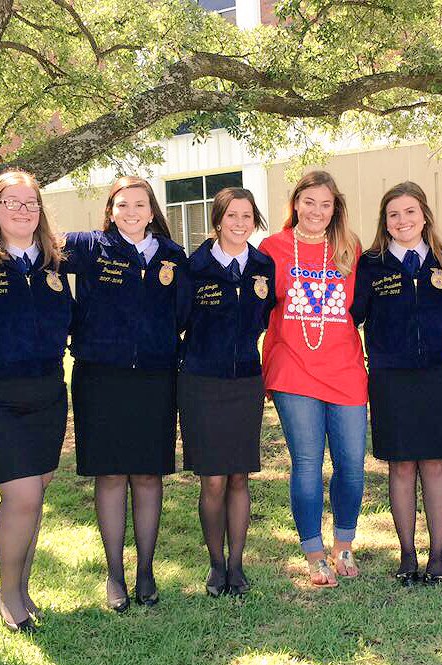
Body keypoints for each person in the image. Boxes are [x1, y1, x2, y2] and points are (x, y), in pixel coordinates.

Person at [62, 176, 190, 611]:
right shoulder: (89, 246)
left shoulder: (173, 256)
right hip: (101, 378)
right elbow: (33, 245)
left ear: (152, 211)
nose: (131, 211)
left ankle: (146, 570)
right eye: (122, 205)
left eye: (139, 204)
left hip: (155, 378)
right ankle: (114, 573)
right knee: (112, 474)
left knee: (149, 475)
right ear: (111, 211)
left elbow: (184, 313)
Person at [0, 170, 71, 633]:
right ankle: (7, 594)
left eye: (31, 204)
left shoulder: (53, 262)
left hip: (46, 392)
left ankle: (23, 588)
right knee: (20, 495)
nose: (23, 212)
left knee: (36, 493)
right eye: (12, 203)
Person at [259, 170, 368, 588]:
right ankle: (314, 553)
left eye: (326, 204)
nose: (317, 211)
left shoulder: (349, 247)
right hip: (293, 368)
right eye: (309, 202)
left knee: (352, 465)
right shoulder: (273, 248)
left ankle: (344, 543)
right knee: (307, 464)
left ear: (335, 208)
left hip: (344, 369)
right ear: (295, 203)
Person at [350, 182, 442, 586]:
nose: (403, 221)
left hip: (437, 375)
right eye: (393, 214)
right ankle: (407, 554)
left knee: (434, 464)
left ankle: (438, 554)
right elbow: (353, 316)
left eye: (410, 212)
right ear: (385, 222)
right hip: (390, 376)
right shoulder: (370, 264)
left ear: (425, 216)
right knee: (400, 466)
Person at [179, 187, 276, 597]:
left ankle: (236, 565)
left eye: (247, 216)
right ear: (218, 220)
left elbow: (267, 319)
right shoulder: (193, 266)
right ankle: (215, 564)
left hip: (245, 383)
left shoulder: (263, 266)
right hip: (201, 382)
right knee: (213, 480)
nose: (240, 223)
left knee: (239, 477)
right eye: (232, 216)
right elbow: (179, 318)